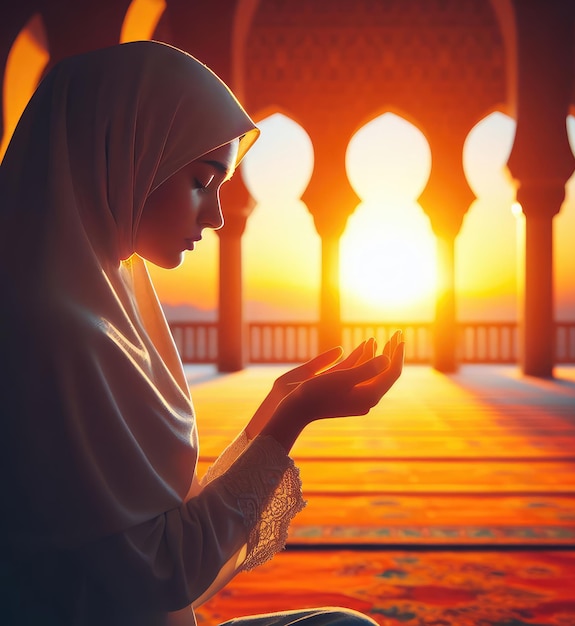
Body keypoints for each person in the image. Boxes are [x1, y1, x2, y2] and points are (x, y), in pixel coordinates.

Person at [0, 41, 404, 626]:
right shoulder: (53, 332)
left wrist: (277, 409)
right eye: (201, 181)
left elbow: (168, 532)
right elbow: (166, 573)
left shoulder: (105, 295)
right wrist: (291, 422)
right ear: (127, 155)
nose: (216, 216)